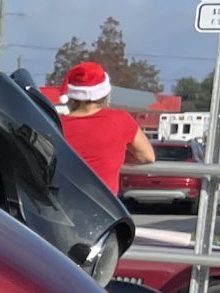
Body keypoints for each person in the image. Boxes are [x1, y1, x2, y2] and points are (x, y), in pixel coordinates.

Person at [57, 60, 154, 193]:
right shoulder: (120, 120)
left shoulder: (56, 125)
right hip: (105, 209)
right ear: (105, 93)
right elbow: (147, 156)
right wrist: (114, 155)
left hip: (63, 206)